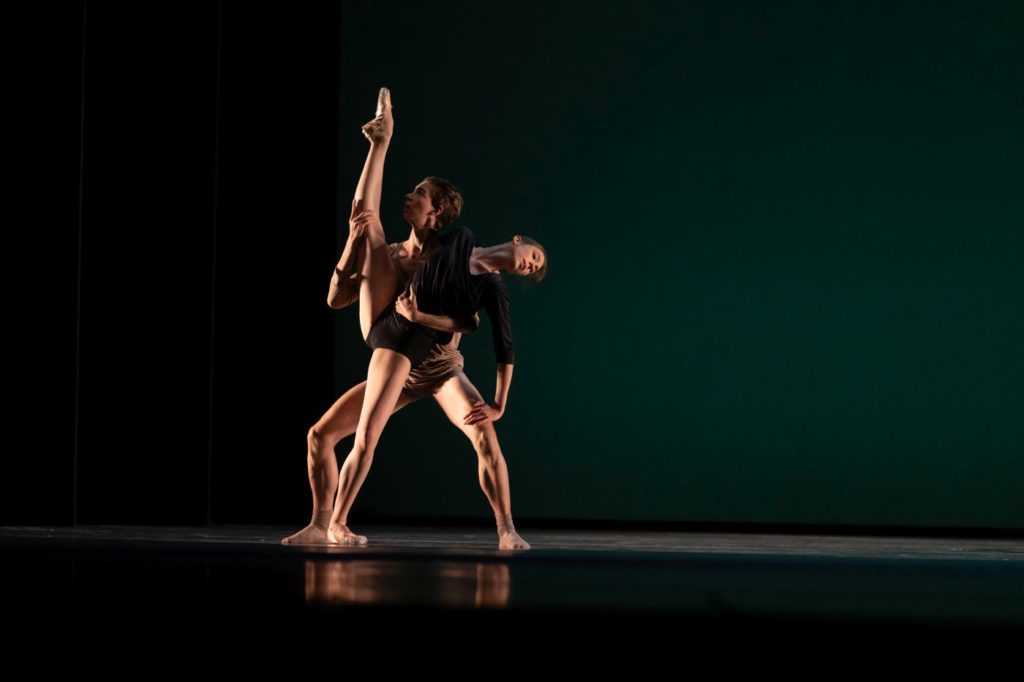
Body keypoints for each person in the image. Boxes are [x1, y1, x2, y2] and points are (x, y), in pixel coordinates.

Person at [281, 88, 547, 550]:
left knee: (483, 434)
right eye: (532, 256)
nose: (410, 197)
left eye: (419, 194)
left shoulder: (460, 258)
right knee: (319, 436)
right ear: (519, 239)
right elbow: (336, 296)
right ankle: (326, 524)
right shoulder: (395, 256)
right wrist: (352, 247)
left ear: (436, 212)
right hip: (394, 350)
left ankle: (507, 529)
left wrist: (495, 396)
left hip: (440, 368)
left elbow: (481, 329)